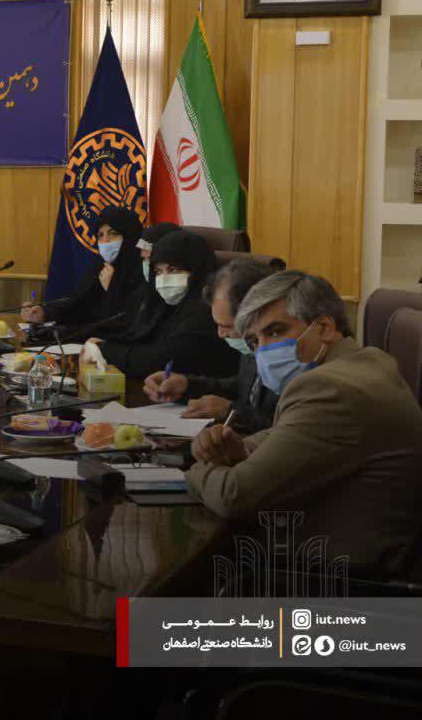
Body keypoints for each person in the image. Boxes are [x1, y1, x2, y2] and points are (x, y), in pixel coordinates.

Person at [187, 271, 422, 574]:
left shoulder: (330, 390)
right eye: (255, 342)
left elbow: (234, 496)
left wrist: (196, 468)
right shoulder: (365, 361)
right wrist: (237, 450)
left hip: (330, 580)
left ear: (324, 327)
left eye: (276, 331)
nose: (264, 351)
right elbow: (282, 436)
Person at [142, 258, 281, 435]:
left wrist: (231, 412)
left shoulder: (290, 356)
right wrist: (187, 385)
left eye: (227, 326)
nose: (220, 334)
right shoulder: (251, 346)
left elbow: (289, 429)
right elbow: (243, 386)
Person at [85, 229, 238, 378]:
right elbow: (147, 342)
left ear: (196, 269)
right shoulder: (170, 306)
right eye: (158, 272)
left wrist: (105, 350)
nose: (164, 279)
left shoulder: (209, 310)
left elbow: (161, 359)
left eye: (173, 270)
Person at [22, 206, 146, 340]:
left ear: (130, 235)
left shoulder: (145, 271)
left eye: (113, 233)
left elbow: (127, 323)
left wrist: (112, 289)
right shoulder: (100, 266)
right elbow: (79, 305)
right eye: (100, 235)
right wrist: (45, 313)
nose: (105, 241)